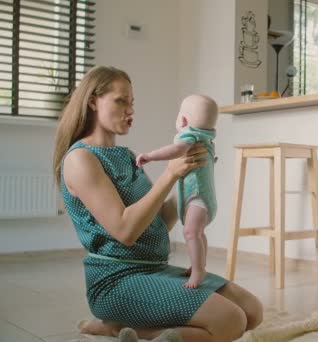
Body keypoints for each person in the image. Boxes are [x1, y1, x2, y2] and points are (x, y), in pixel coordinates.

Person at [53, 66, 263, 342]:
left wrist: (190, 179)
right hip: (116, 281)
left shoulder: (126, 156)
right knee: (231, 321)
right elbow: (125, 231)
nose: (130, 111)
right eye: (121, 101)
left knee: (253, 311)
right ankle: (117, 328)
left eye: (132, 103)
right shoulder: (80, 160)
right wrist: (170, 173)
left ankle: (118, 328)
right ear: (93, 101)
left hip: (154, 270)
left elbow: (158, 223)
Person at [136, 94, 218, 288]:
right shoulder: (207, 138)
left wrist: (151, 156)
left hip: (196, 198)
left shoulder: (188, 136)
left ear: (182, 120)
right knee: (197, 233)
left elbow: (176, 150)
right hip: (206, 201)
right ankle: (200, 265)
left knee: (190, 232)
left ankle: (198, 271)